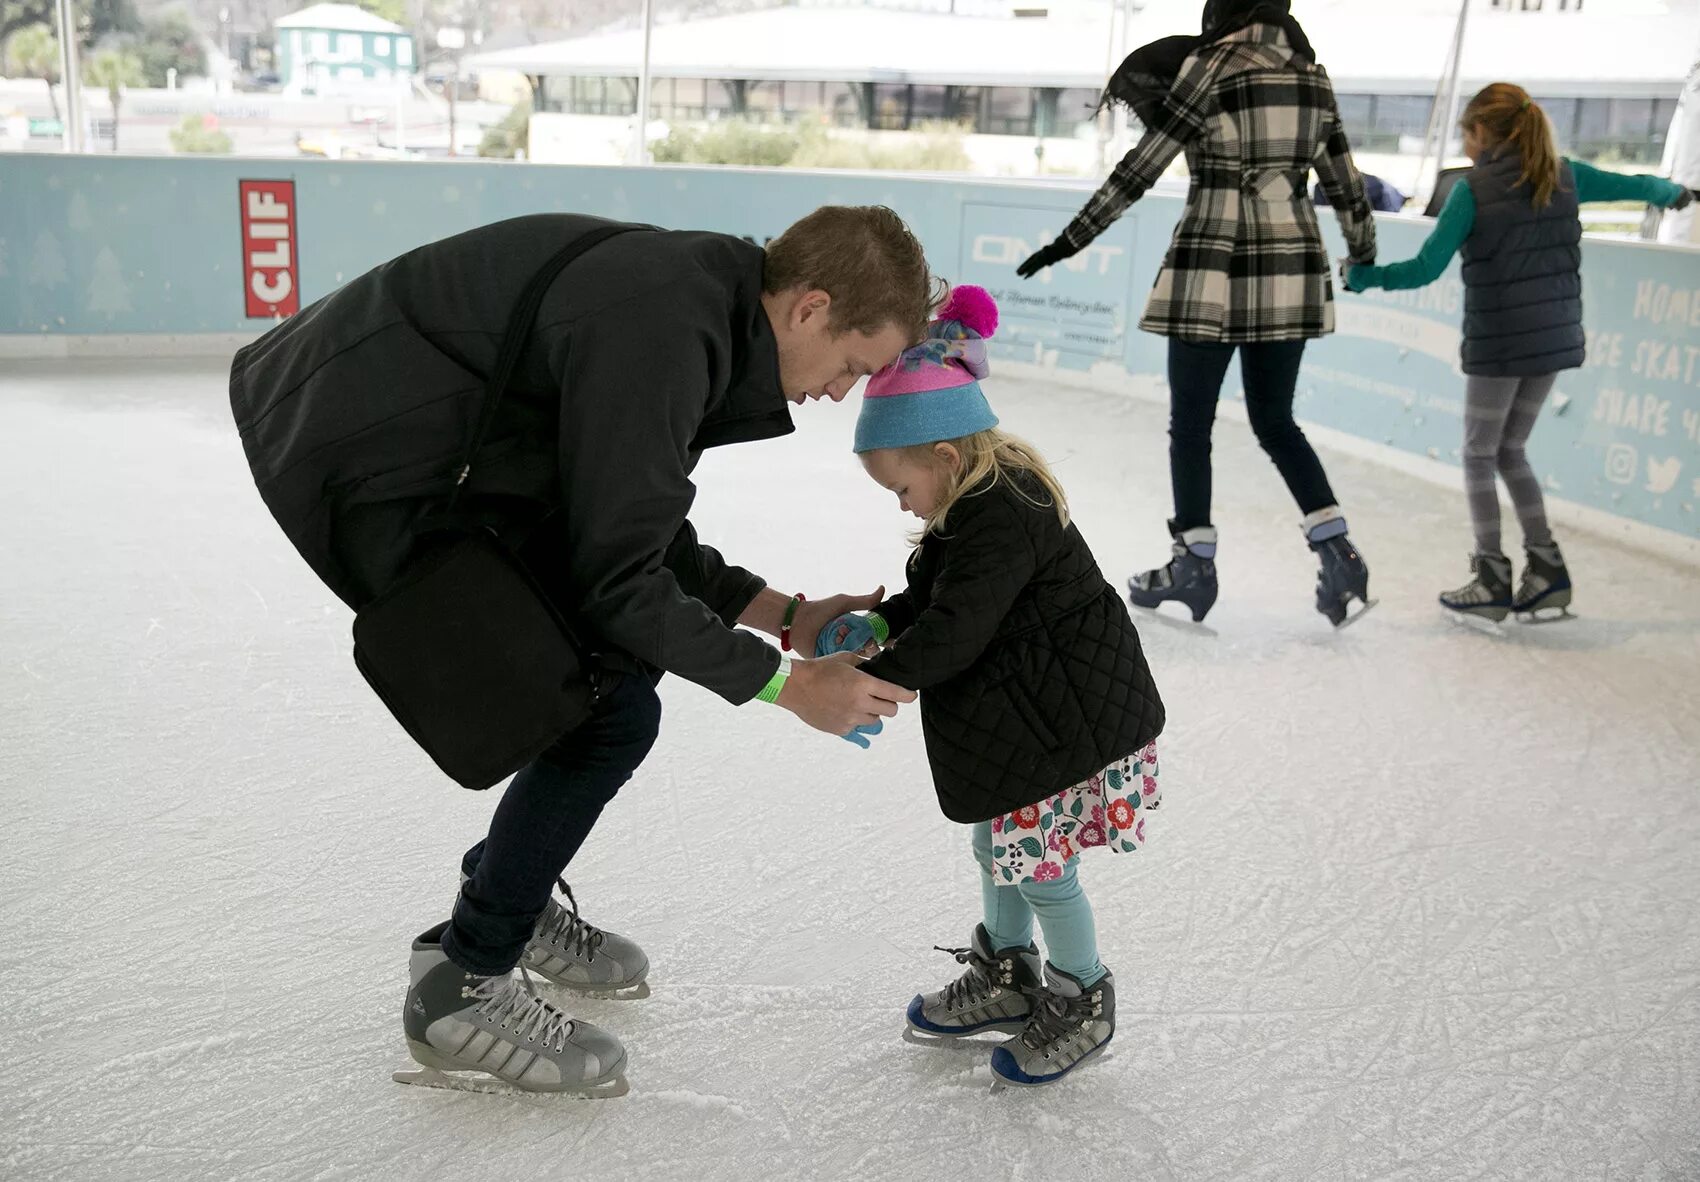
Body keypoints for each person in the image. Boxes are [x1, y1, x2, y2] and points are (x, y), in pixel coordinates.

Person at [229, 206, 935, 1095]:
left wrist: (782, 613)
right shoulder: (667, 328)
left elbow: (627, 516)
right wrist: (787, 686)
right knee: (605, 704)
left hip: (434, 433)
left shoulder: (699, 301)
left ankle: (506, 904)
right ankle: (464, 983)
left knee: (613, 676)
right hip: (367, 445)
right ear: (809, 308)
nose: (840, 391)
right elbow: (621, 577)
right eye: (851, 365)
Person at [818, 286, 1165, 1087]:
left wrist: (871, 678)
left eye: (900, 489)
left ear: (942, 457)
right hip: (1022, 713)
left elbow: (958, 629)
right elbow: (937, 599)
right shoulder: (969, 504)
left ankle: (1084, 995)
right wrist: (879, 625)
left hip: (1059, 719)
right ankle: (1011, 973)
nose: (902, 505)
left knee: (1043, 866)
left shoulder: (1005, 513)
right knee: (999, 845)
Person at [1017, 0, 1379, 626]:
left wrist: (1069, 240)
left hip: (1212, 269)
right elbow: (1345, 183)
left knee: (1192, 425)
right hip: (1290, 273)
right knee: (1276, 421)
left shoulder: (1209, 66)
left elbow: (1141, 168)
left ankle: (1193, 564)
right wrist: (1363, 253)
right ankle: (1339, 551)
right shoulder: (1312, 78)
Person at [1344, 83, 1697, 622]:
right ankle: (1547, 569)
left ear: (1484, 132)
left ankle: (1491, 574)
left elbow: (1424, 268)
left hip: (1501, 344)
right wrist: (1676, 195)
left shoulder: (1473, 189)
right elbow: (1638, 184)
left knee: (1480, 454)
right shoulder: (1567, 175)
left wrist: (1364, 278)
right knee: (1510, 451)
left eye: (1467, 131)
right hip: (1554, 341)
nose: (1464, 143)